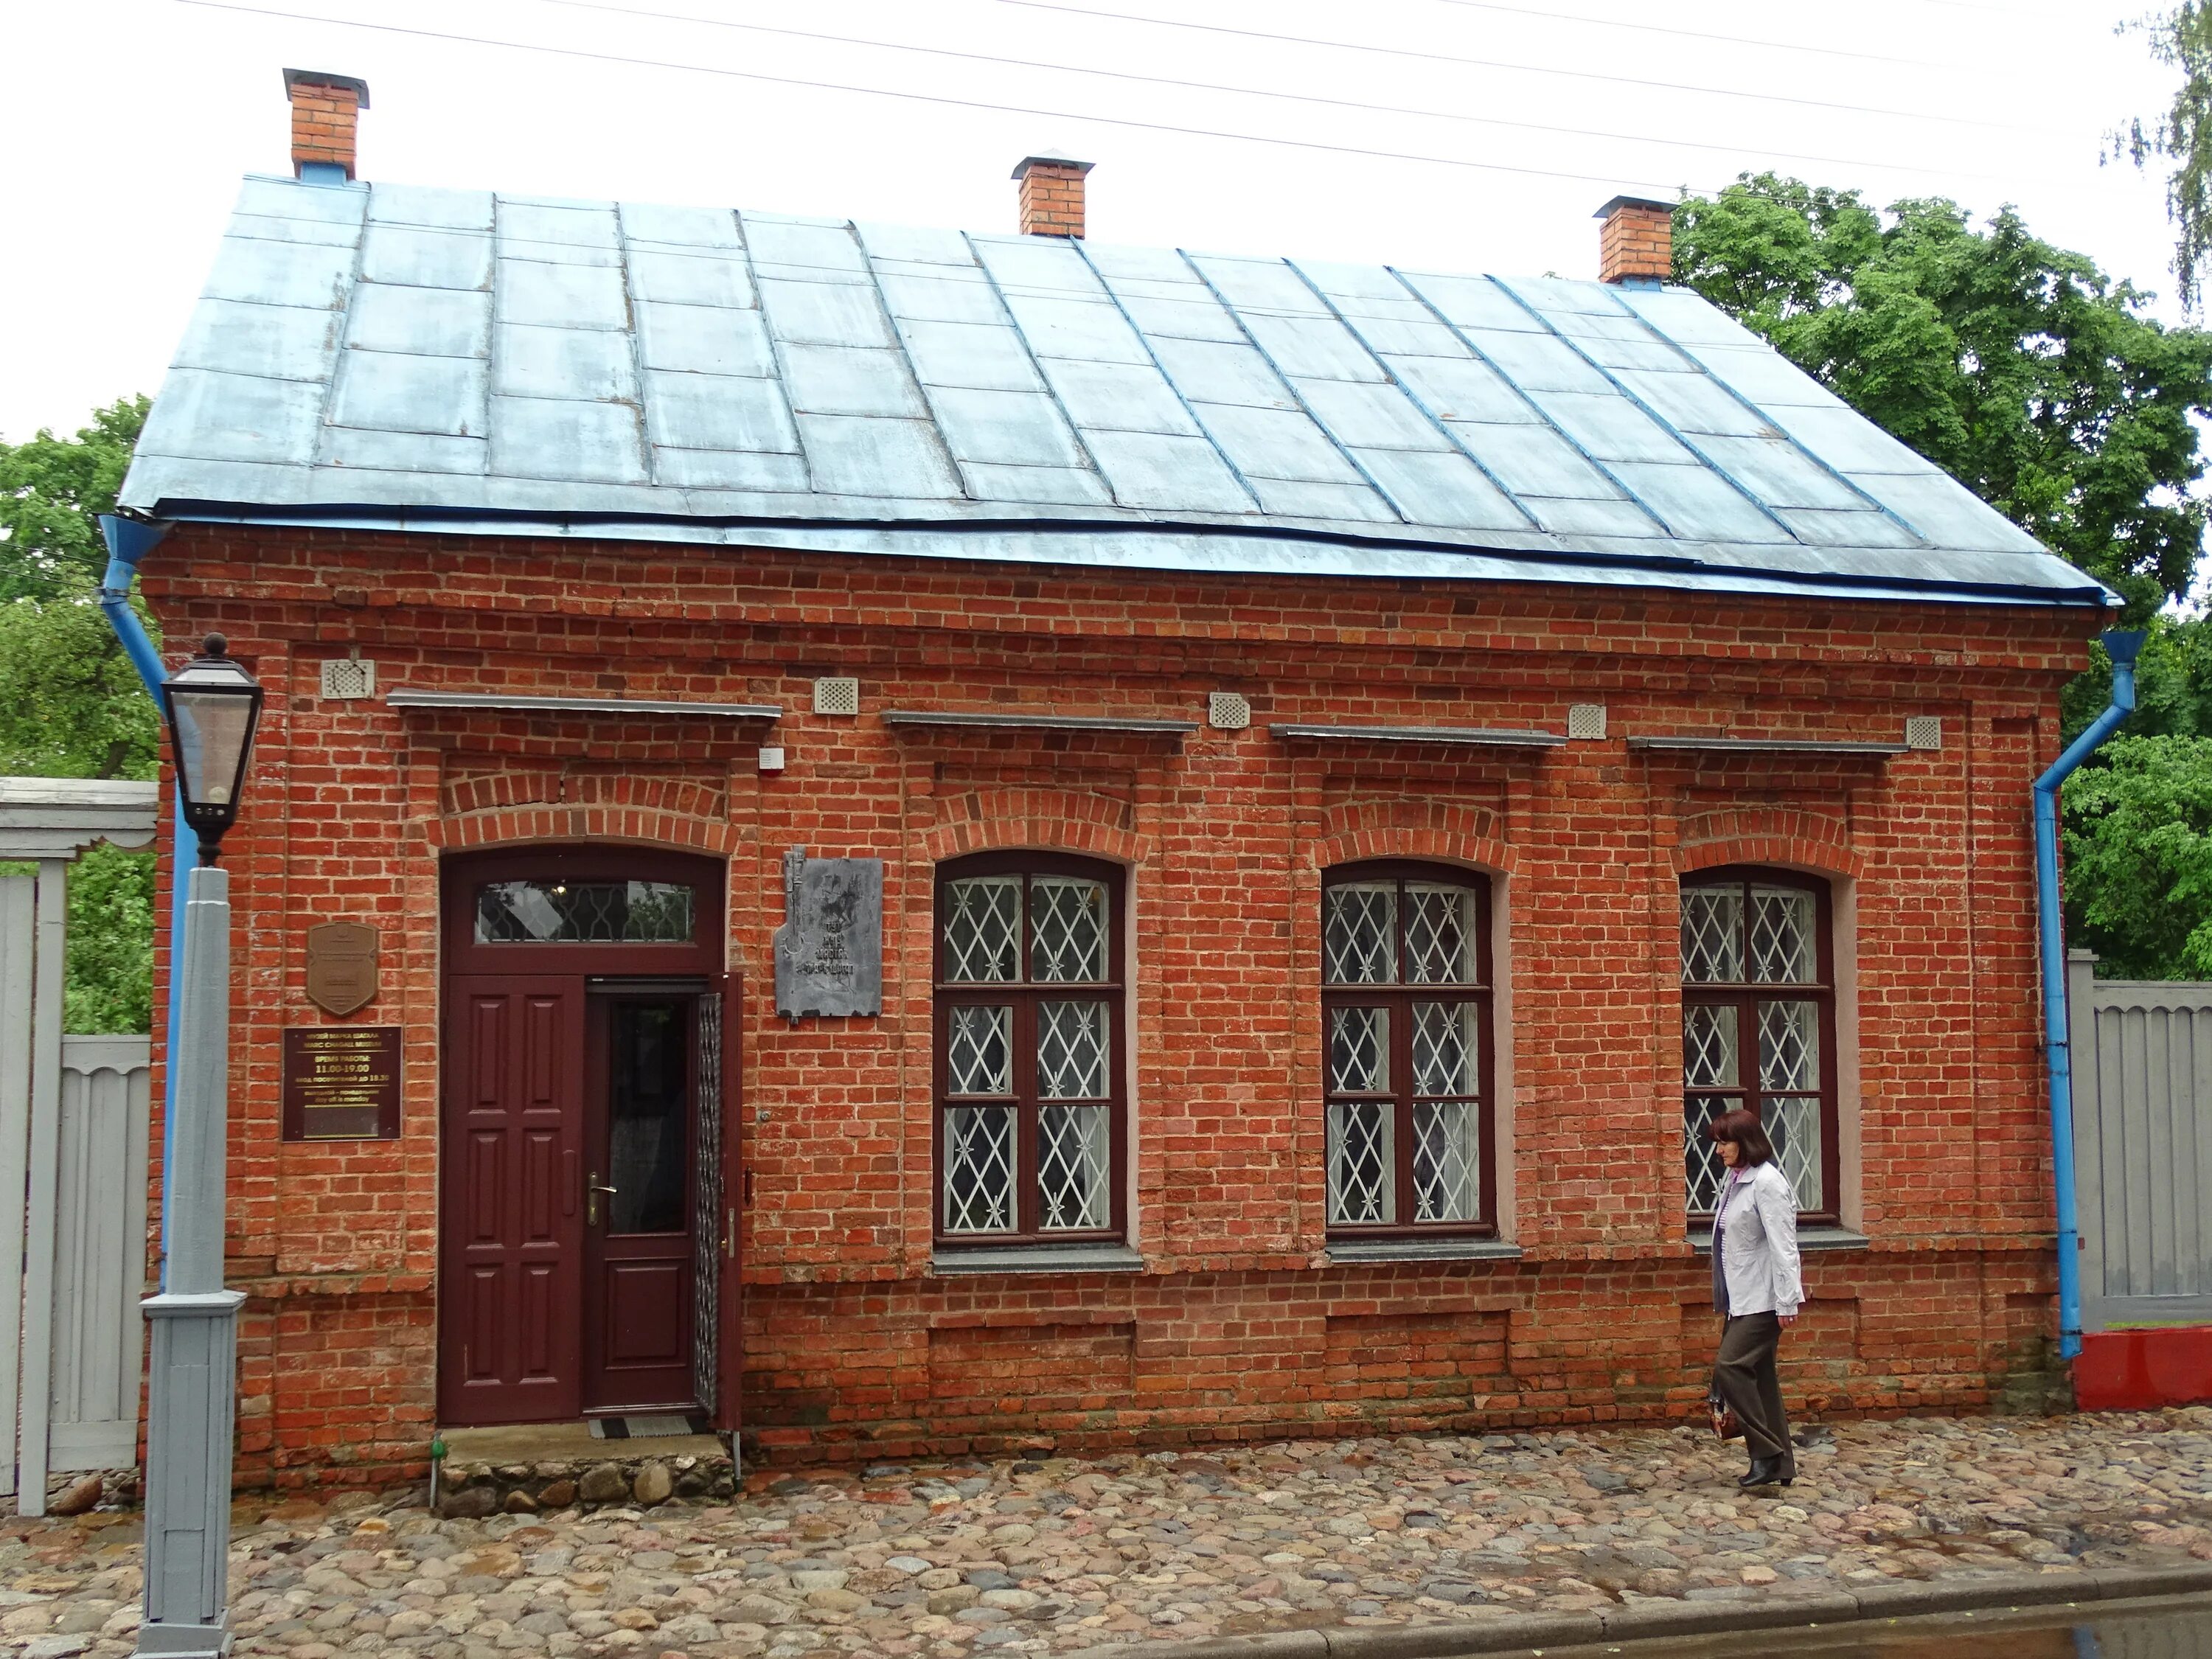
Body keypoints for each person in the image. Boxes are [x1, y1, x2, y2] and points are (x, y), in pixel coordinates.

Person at [1707, 1108, 1804, 1489]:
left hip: (1764, 1299)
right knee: (1761, 1378)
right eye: (1717, 1142)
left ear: (1745, 1142)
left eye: (1725, 1142)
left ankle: (1766, 1453)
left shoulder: (1767, 1184)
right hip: (1742, 1297)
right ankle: (1780, 1466)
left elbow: (1785, 1247)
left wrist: (1787, 1301)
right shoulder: (1737, 1181)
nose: (1719, 1150)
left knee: (1730, 1367)